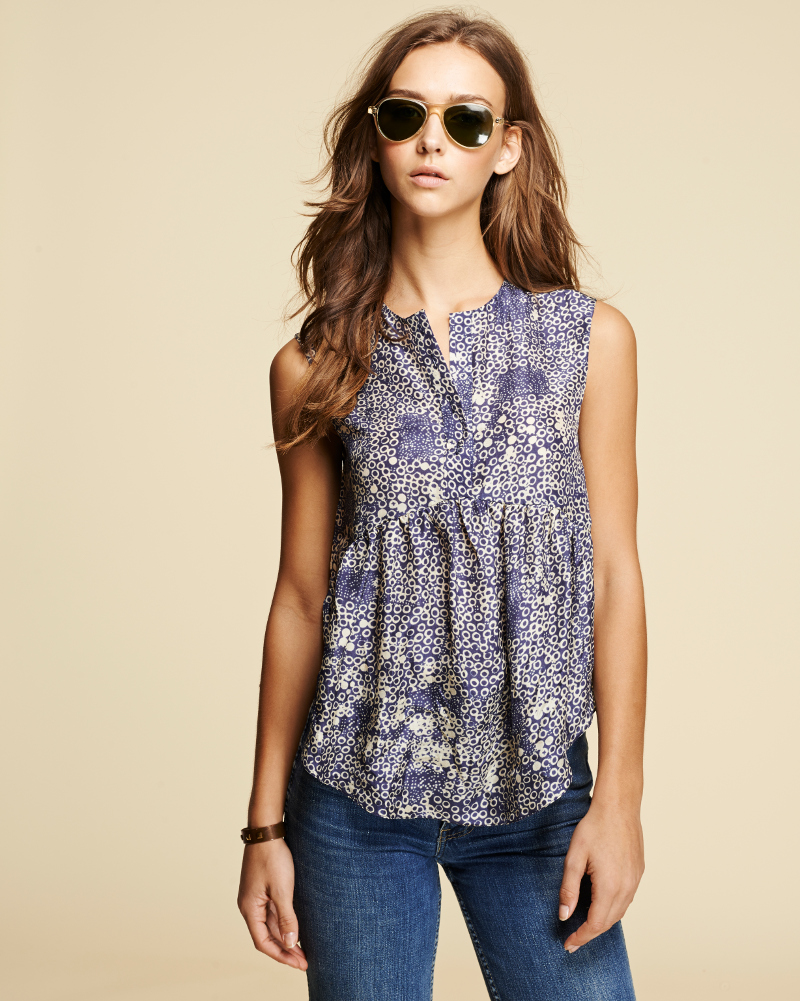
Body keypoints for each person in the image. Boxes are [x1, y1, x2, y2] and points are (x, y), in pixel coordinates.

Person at [237, 9, 646, 1000]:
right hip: (353, 803)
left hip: (539, 794)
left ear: (507, 147)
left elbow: (614, 577)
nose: (432, 140)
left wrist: (620, 799)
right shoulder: (313, 364)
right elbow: (298, 597)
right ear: (375, 138)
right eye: (405, 114)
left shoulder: (588, 340)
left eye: (466, 120)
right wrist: (263, 825)